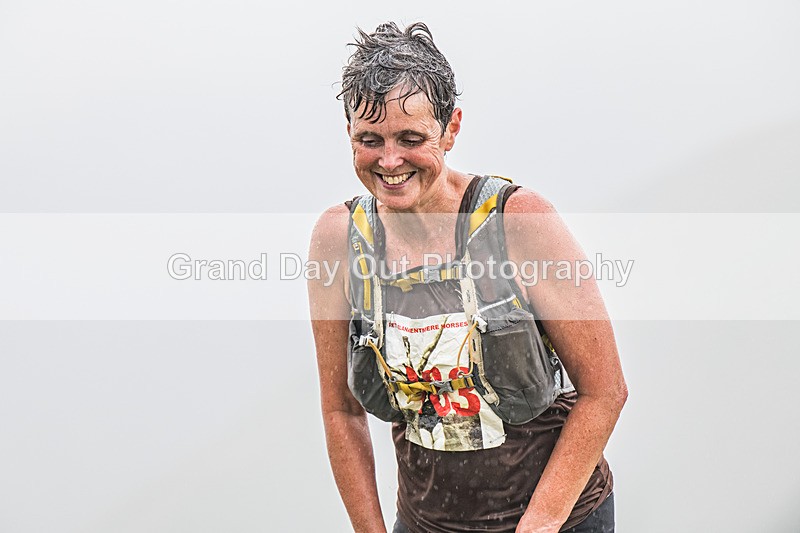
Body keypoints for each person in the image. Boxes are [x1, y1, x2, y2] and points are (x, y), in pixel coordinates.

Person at [308, 21, 627, 533]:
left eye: (411, 138)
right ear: (348, 132)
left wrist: (539, 526)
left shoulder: (517, 222)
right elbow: (341, 410)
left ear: (451, 127)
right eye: (370, 140)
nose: (390, 161)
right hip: (426, 522)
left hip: (558, 521)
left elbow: (604, 391)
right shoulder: (339, 239)